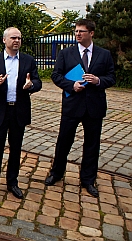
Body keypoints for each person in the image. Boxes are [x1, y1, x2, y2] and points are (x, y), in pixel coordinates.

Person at [45, 19, 115, 198]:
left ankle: (88, 180)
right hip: (72, 104)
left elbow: (111, 78)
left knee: (92, 144)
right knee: (64, 141)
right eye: (76, 31)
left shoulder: (104, 54)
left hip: (94, 106)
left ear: (91, 33)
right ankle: (56, 173)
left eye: (81, 31)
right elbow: (56, 75)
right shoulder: (66, 53)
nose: (77, 34)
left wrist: (98, 81)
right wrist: (71, 85)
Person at [0, 27, 42, 201]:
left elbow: (37, 82)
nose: (17, 41)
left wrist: (31, 86)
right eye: (13, 38)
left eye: (19, 38)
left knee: (16, 149)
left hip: (19, 110)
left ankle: (12, 183)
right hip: (0, 110)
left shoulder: (28, 60)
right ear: (4, 40)